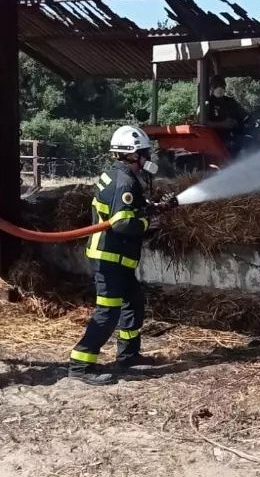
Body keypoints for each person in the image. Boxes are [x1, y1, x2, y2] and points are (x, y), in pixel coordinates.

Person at [69, 125, 165, 385]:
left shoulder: (119, 175)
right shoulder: (124, 181)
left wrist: (149, 208)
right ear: (133, 155)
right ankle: (80, 364)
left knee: (133, 301)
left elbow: (127, 208)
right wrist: (148, 224)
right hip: (108, 256)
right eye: (145, 153)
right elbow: (121, 223)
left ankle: (128, 355)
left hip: (119, 256)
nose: (149, 158)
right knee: (107, 312)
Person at [204, 76, 247, 156]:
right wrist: (222, 124)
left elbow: (244, 116)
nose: (219, 88)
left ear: (225, 87)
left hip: (234, 136)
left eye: (222, 85)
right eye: (216, 86)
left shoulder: (231, 102)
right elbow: (204, 123)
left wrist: (235, 122)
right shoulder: (207, 104)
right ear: (211, 88)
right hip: (216, 140)